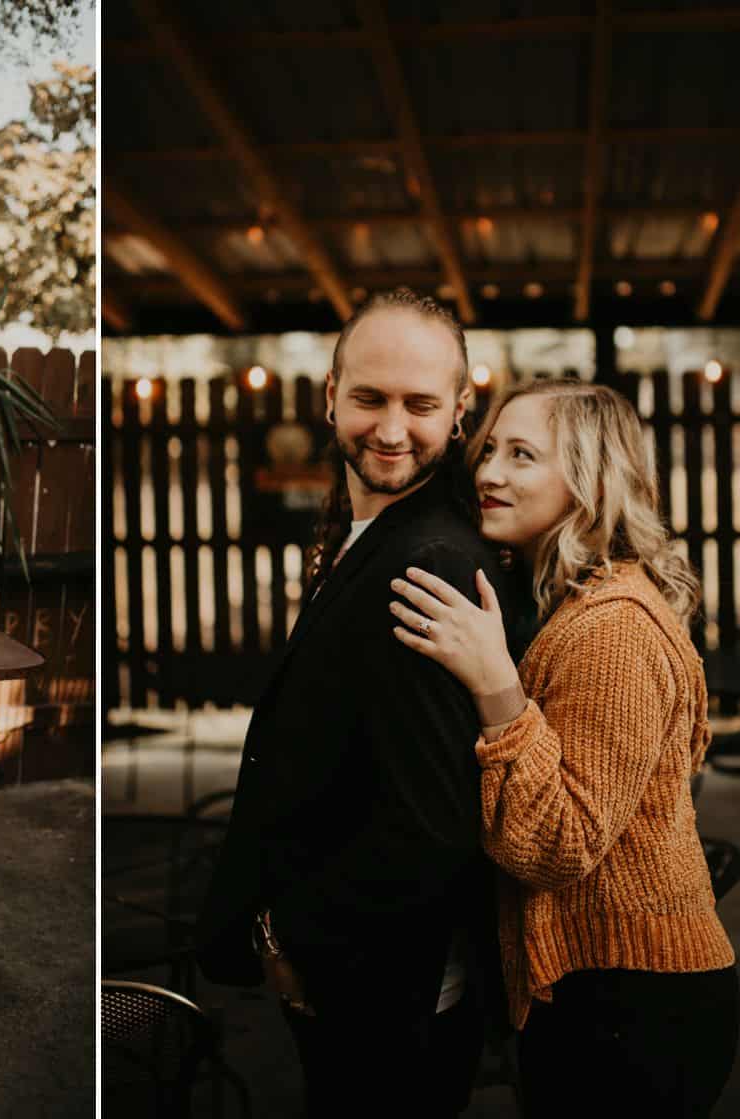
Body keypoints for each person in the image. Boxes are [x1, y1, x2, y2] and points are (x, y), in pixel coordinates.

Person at [196, 289, 521, 1116]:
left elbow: (433, 823)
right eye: (370, 398)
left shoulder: (431, 564)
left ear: (457, 415)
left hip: (381, 984)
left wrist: (287, 931)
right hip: (361, 972)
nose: (389, 429)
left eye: (420, 405)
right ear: (330, 394)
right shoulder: (370, 526)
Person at [390, 379, 738, 1117]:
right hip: (601, 990)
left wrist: (495, 688)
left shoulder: (609, 629)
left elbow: (557, 842)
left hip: (632, 1007)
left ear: (589, 478)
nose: (488, 473)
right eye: (490, 451)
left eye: (523, 455)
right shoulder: (572, 601)